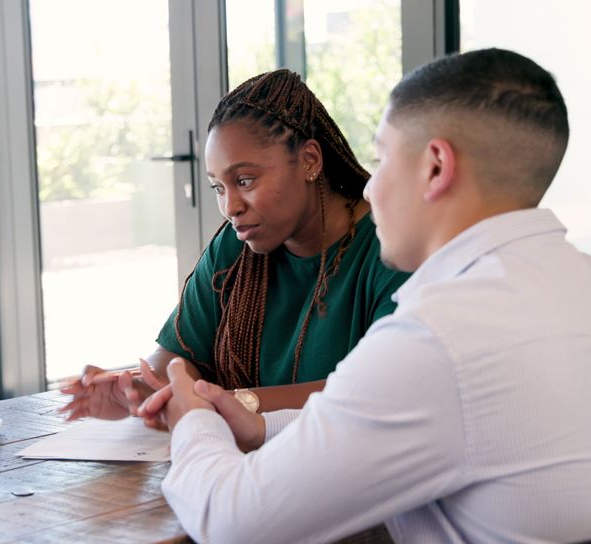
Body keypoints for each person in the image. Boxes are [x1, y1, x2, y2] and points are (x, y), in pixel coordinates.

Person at [138, 48, 591, 544]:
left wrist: (195, 421)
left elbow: (232, 522)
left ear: (435, 166)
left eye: (382, 159)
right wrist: (263, 428)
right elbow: (415, 419)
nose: (371, 187)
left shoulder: (440, 338)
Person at [60, 69, 410, 419]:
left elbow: (378, 390)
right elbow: (174, 362)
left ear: (309, 161)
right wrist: (136, 391)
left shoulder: (392, 246)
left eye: (244, 180)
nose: (231, 208)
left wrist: (226, 403)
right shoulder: (237, 247)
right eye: (218, 187)